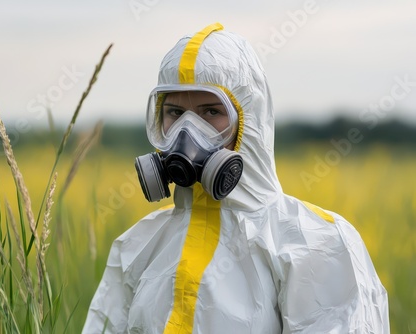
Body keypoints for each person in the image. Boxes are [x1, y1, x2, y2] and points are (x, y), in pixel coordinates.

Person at [82, 23, 389, 333]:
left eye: (211, 112)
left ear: (249, 121)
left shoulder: (316, 242)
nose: (188, 132)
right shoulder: (137, 245)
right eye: (175, 113)